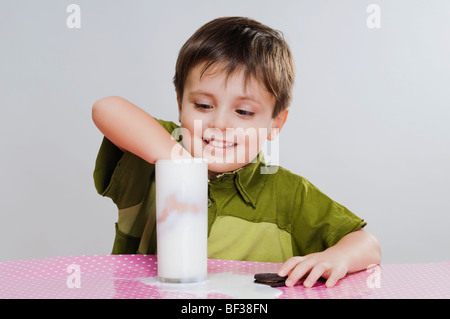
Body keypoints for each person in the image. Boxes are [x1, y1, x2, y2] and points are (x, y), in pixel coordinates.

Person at [92, 16, 381, 288]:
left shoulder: (289, 194)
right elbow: (106, 108)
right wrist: (179, 161)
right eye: (203, 106)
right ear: (180, 104)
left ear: (274, 124)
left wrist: (336, 257)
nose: (219, 123)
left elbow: (367, 244)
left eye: (243, 111)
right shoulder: (154, 152)